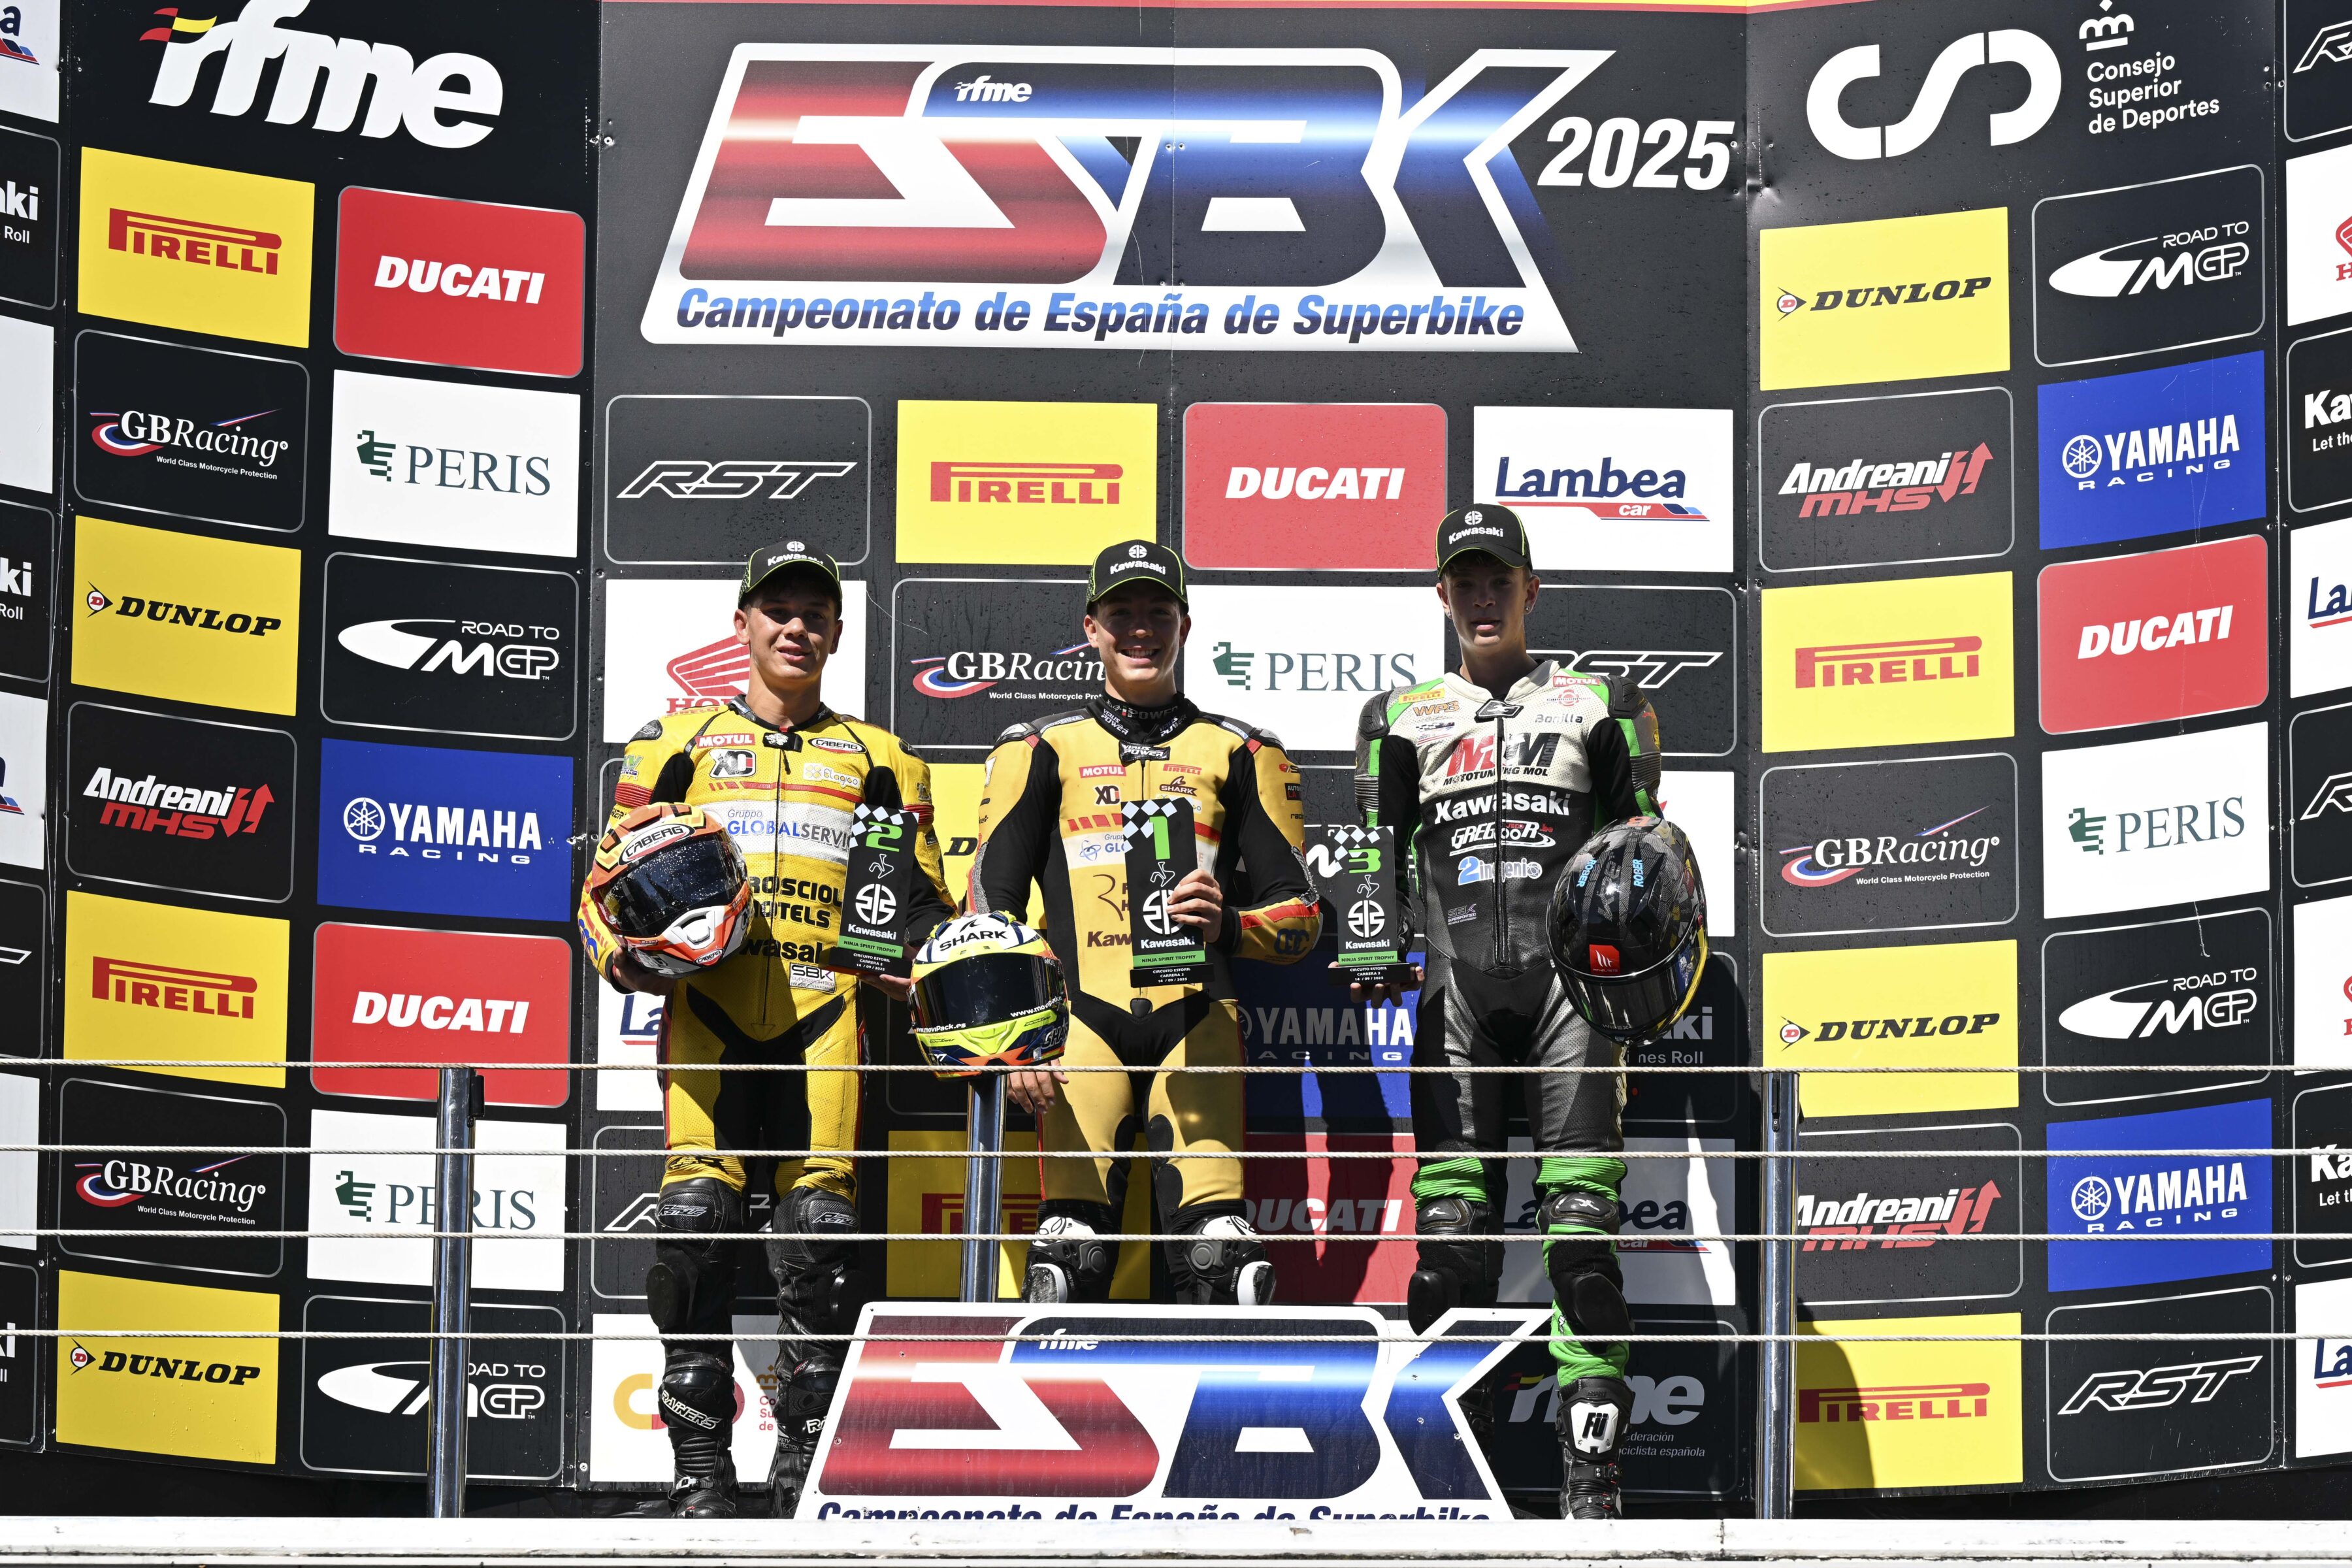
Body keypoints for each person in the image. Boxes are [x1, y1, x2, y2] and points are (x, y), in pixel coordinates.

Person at [578, 541, 952, 1518]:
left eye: (814, 614)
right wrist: (618, 961)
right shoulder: (676, 741)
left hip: (828, 1016)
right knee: (693, 1225)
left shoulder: (883, 757)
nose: (796, 627)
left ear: (838, 632)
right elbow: (602, 887)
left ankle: (801, 1481)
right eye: (777, 610)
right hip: (707, 1013)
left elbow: (922, 900)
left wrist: (925, 962)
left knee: (822, 1240)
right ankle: (702, 1476)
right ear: (741, 624)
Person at [1350, 505, 1664, 1520]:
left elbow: (1647, 854)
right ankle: (1453, 1477)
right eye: (1465, 583)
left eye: (1499, 581)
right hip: (1455, 998)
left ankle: (1592, 1483)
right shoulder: (1397, 717)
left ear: (1532, 589)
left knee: (1582, 1234)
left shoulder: (1603, 704)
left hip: (1576, 999)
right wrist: (1372, 939)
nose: (1482, 600)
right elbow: (1377, 862)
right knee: (1447, 1242)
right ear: (1442, 595)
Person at [969, 540, 1323, 1305]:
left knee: (1222, 1261)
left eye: (1158, 613)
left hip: (1198, 1021)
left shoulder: (1241, 750)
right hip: (1077, 1027)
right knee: (1067, 1262)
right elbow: (990, 908)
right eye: (1121, 612)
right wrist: (1013, 1038)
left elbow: (1302, 916)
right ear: (1091, 628)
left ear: (1184, 627)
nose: (1140, 629)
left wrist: (1231, 925)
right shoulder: (1040, 748)